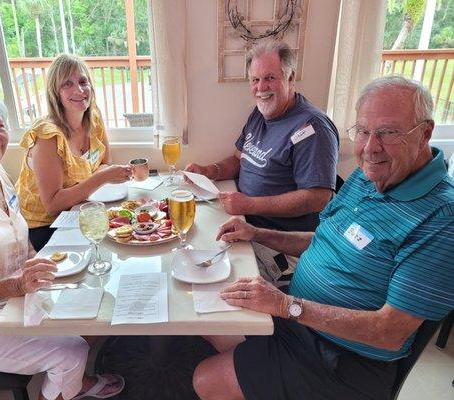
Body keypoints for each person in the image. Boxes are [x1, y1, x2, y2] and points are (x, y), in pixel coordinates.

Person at [192, 76, 454, 400]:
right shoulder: (369, 174)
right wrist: (258, 233)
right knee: (209, 315)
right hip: (301, 317)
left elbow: (390, 332)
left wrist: (287, 305)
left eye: (388, 132)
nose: (371, 148)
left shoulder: (442, 219)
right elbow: (325, 239)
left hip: (343, 359)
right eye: (363, 131)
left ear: (425, 132)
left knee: (206, 380)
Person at [0, 87, 124, 400]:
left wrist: (40, 273)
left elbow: (18, 239)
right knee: (70, 352)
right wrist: (17, 286)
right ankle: (60, 387)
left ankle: (72, 383)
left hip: (9, 296)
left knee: (96, 304)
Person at [186, 39, 339, 234]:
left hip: (277, 240)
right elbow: (238, 159)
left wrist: (249, 205)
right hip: (242, 221)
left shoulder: (312, 127)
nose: (261, 87)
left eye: (270, 78)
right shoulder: (259, 113)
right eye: (255, 80)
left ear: (290, 78)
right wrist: (207, 171)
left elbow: (317, 198)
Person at [16, 54, 132, 251]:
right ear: (55, 93)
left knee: (126, 236)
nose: (79, 90)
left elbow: (106, 161)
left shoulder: (94, 118)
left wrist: (102, 175)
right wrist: (103, 177)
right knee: (107, 248)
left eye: (83, 81)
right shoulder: (48, 136)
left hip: (78, 209)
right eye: (67, 84)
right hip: (45, 225)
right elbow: (53, 204)